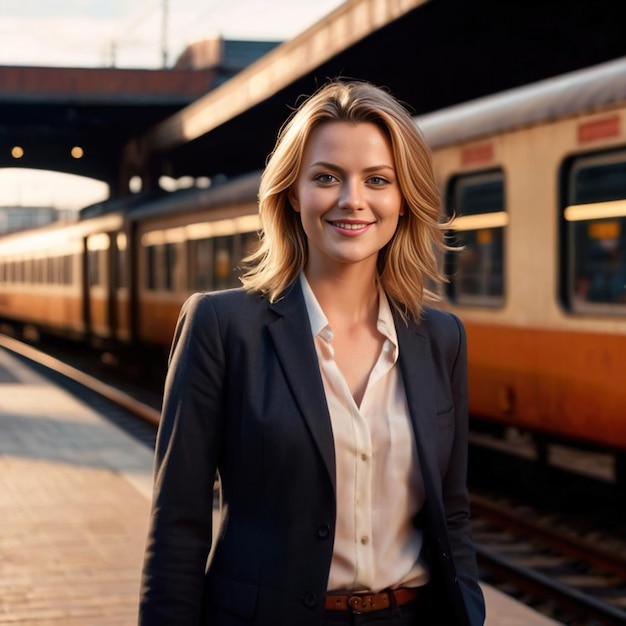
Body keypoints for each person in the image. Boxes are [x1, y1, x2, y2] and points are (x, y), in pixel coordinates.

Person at [139, 80, 486, 626]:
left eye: (378, 180)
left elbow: (453, 510)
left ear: (403, 200)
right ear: (293, 194)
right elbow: (178, 524)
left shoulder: (441, 339)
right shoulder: (221, 326)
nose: (353, 200)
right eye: (327, 177)